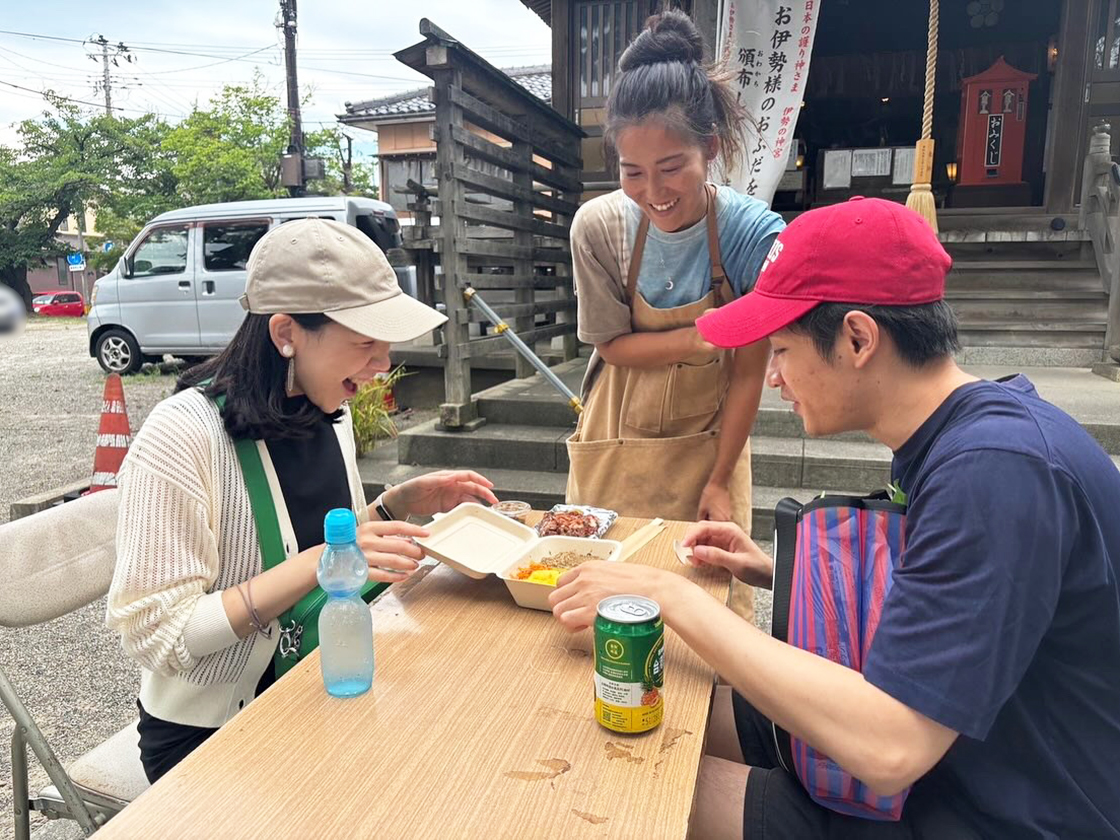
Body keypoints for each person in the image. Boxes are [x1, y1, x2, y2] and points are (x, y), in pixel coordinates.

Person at [550, 198, 1120, 838]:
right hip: (952, 758)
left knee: (640, 778)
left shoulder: (997, 472)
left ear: (857, 338)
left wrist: (671, 596)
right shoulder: (969, 432)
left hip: (985, 807)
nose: (773, 378)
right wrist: (774, 572)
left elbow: (890, 749)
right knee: (666, 701)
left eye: (783, 350)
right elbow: (948, 597)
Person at [107, 218, 498, 783]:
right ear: (286, 331)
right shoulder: (181, 437)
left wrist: (393, 506)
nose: (382, 364)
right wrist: (318, 563)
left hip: (317, 675)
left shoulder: (326, 409)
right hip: (214, 733)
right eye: (365, 342)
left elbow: (318, 546)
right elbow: (157, 635)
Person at [565, 9, 784, 534]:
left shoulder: (750, 235)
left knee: (702, 596)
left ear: (708, 148)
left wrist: (720, 479)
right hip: (613, 438)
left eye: (671, 168)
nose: (654, 194)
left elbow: (750, 371)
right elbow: (612, 347)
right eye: (631, 173)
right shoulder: (599, 228)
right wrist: (702, 338)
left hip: (713, 448)